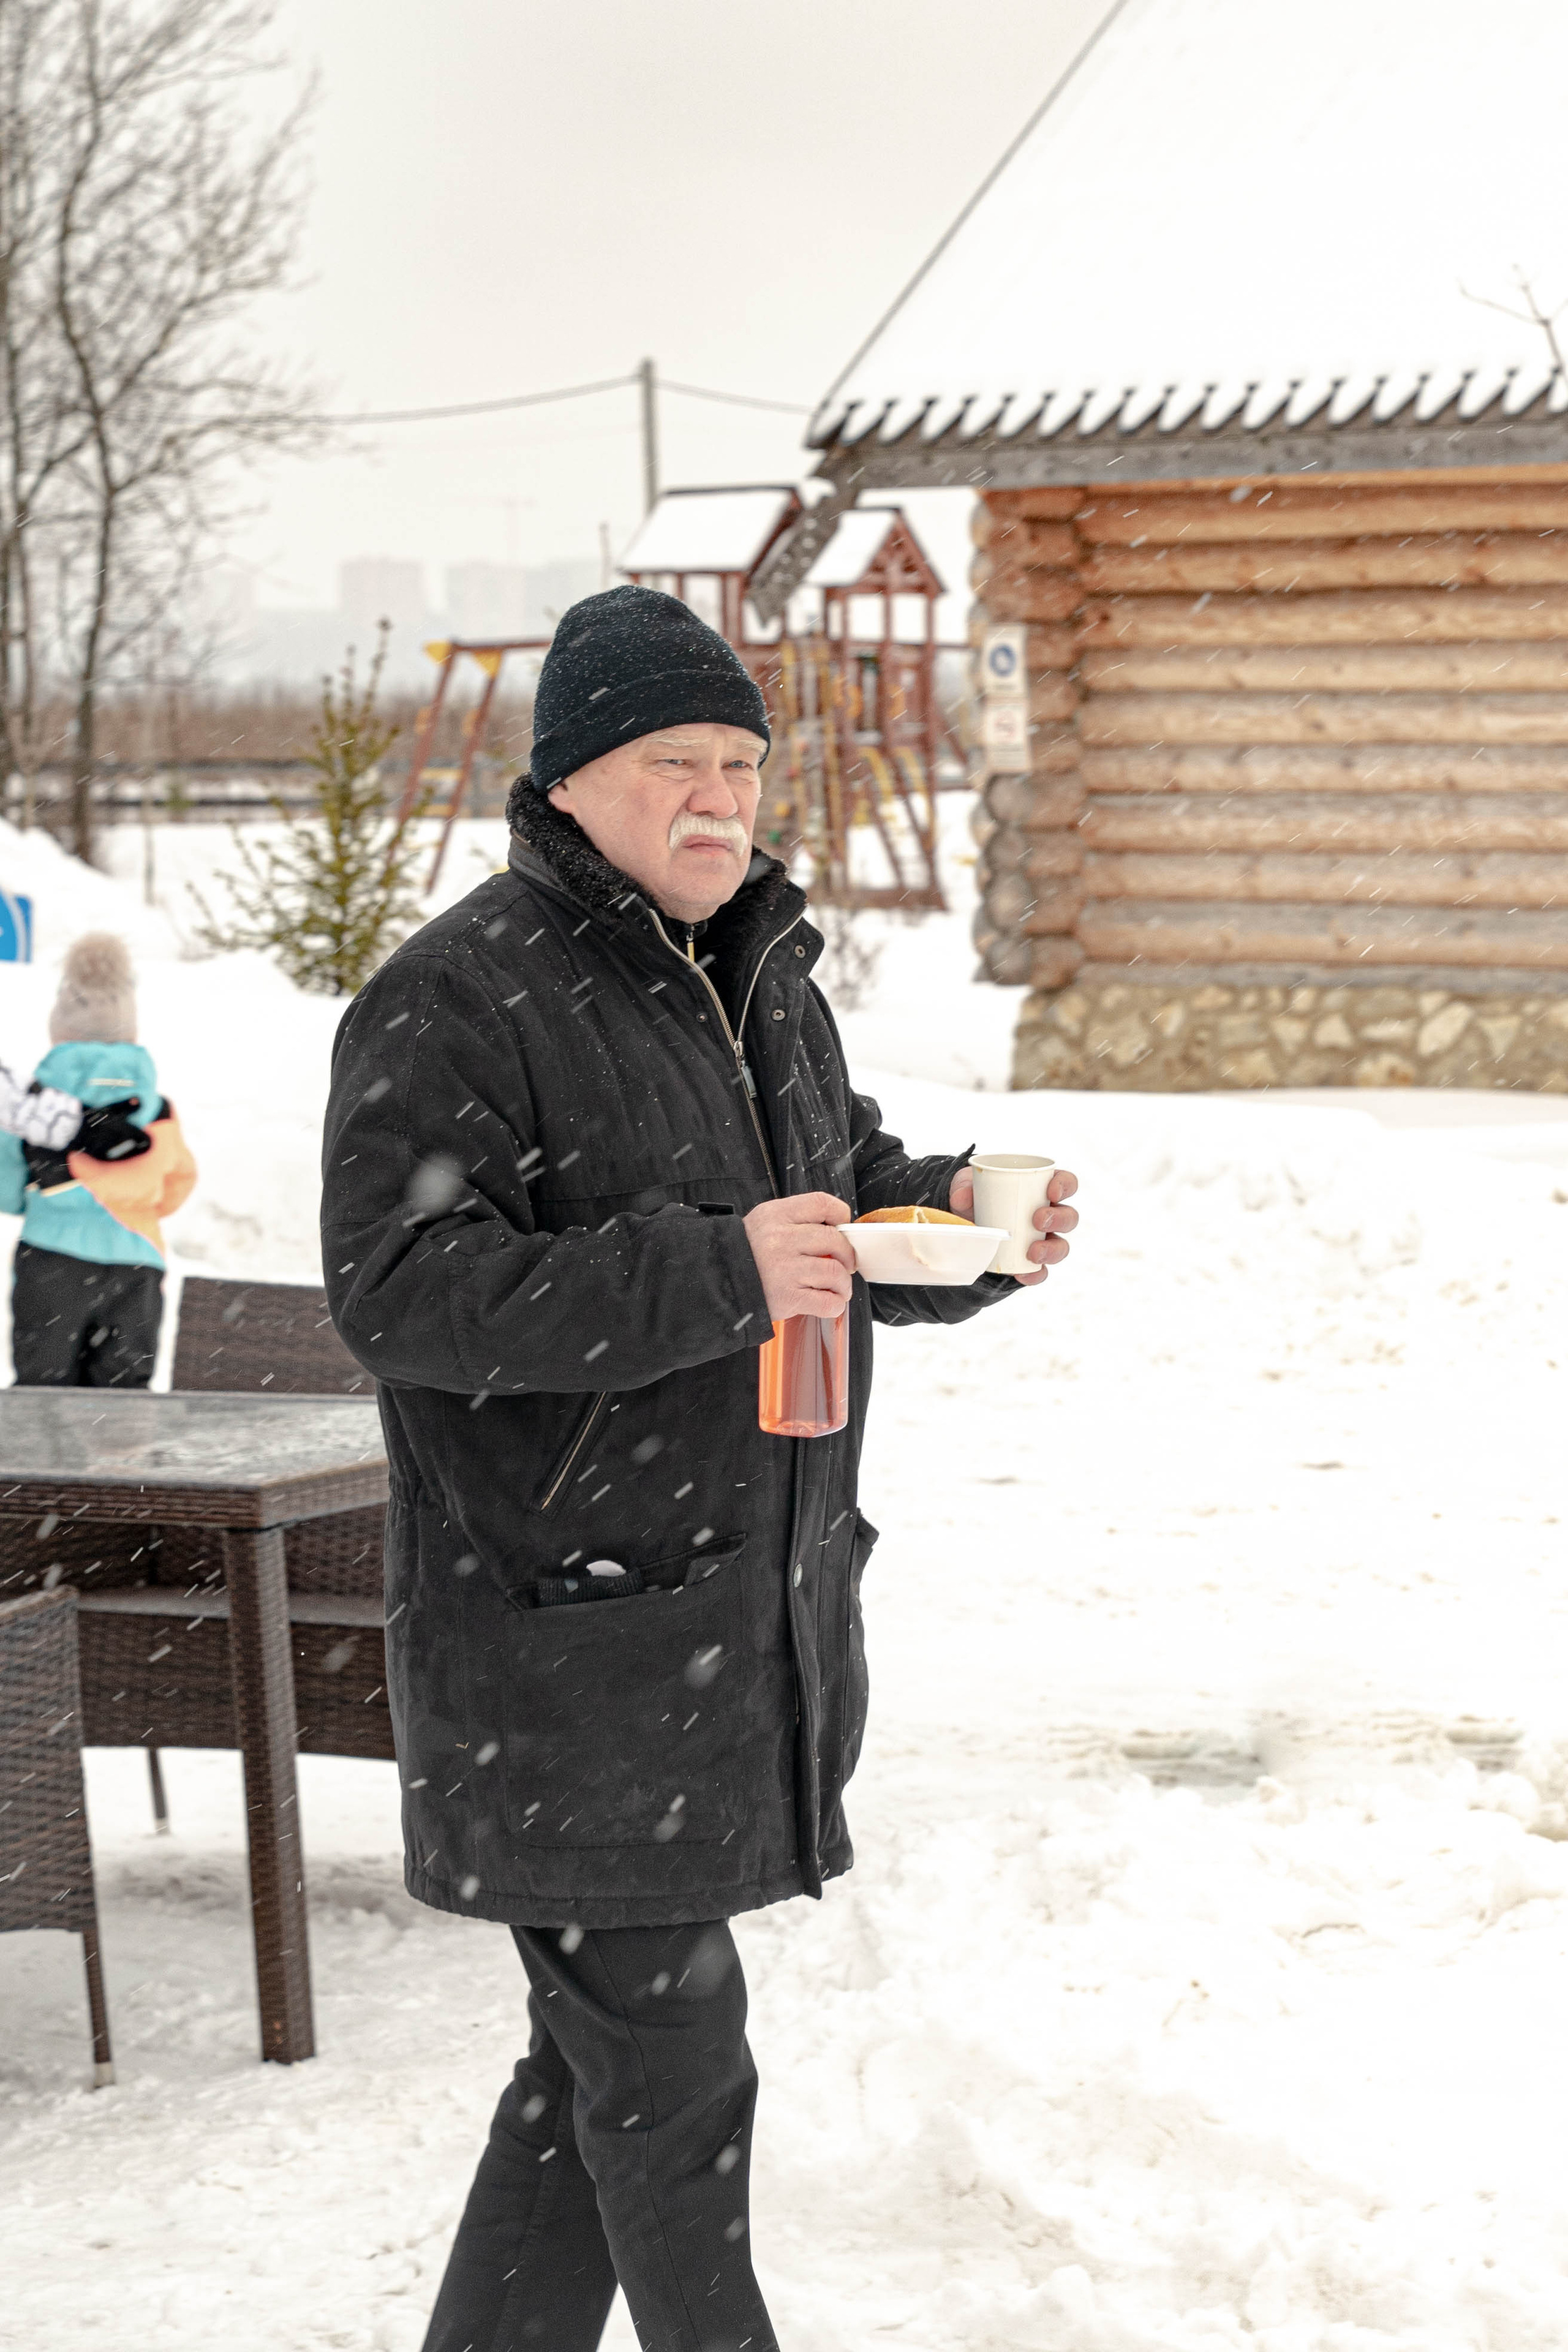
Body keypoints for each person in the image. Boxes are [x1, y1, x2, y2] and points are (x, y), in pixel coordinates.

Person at [322, 586, 1079, 2352]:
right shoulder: (459, 998)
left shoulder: (758, 972)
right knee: (672, 2096)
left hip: (729, 1633)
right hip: (565, 1648)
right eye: (679, 763)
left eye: (741, 761)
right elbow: (401, 1294)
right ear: (576, 779)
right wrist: (719, 1269)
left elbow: (831, 1184)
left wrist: (962, 1225)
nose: (721, 797)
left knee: (586, 2099)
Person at [0, 933, 196, 1387]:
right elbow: (178, 1183)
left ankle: (40, 1459)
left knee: (42, 1389)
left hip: (51, 1261)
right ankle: (116, 1458)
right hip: (137, 1262)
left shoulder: (36, 1109)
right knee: (122, 1396)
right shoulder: (157, 1108)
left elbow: (8, 1189)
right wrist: (133, 1203)